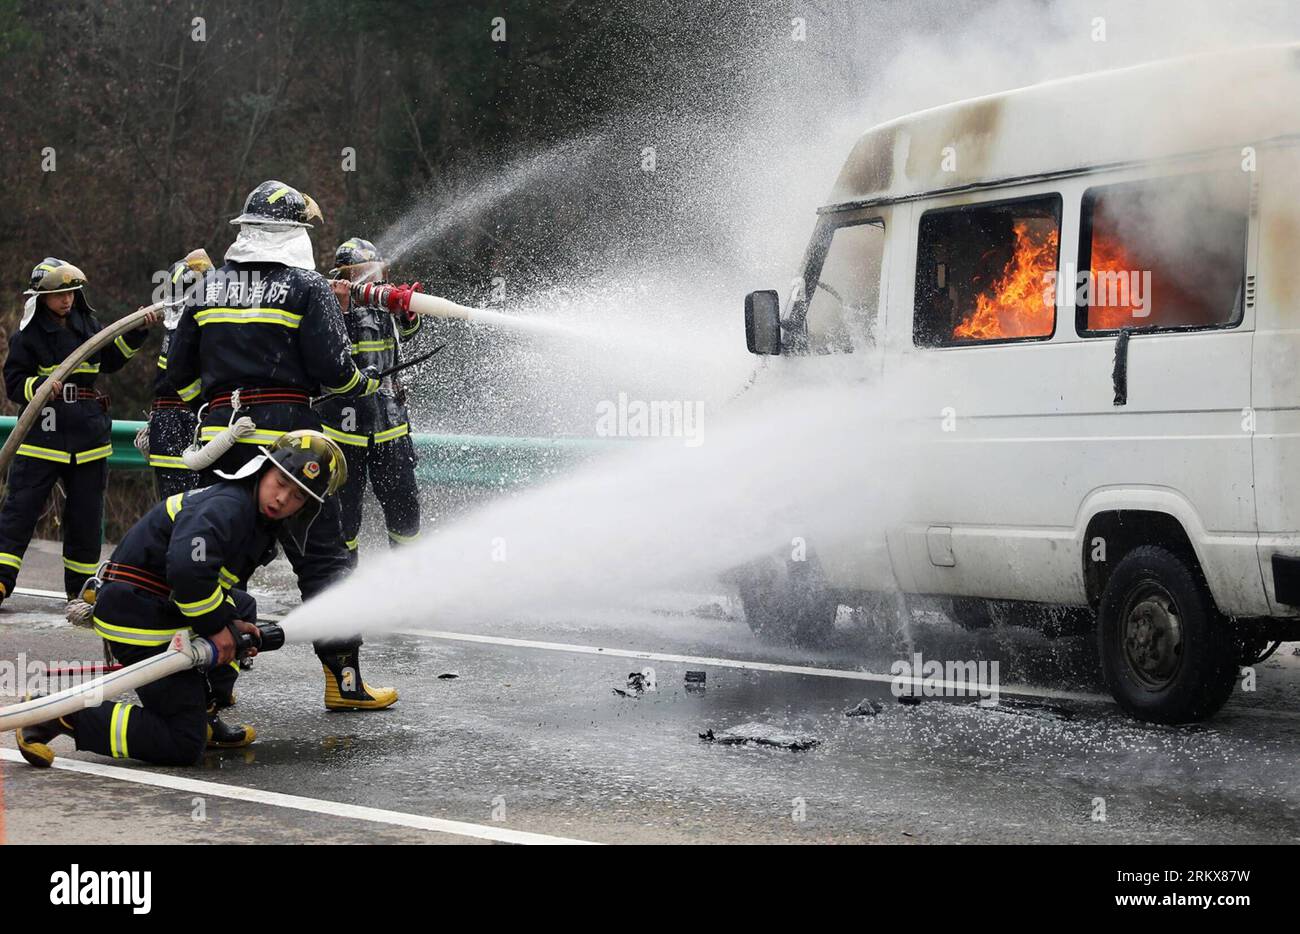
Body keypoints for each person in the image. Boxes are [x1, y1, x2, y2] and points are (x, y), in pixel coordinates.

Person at [165, 180, 398, 710]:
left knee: (220, 565)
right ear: (294, 234)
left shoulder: (207, 288)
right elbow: (335, 371)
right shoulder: (308, 287)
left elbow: (178, 381)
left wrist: (224, 398)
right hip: (291, 451)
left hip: (220, 445)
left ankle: (208, 696)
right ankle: (345, 683)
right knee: (324, 562)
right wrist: (362, 384)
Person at [15, 431, 347, 767]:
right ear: (263, 470)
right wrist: (218, 628)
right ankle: (57, 715)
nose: (282, 499)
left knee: (242, 608)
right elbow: (189, 573)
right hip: (138, 615)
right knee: (183, 742)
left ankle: (205, 713)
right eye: (280, 482)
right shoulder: (229, 507)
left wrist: (229, 621)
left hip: (156, 605)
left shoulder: (255, 518)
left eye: (297, 497)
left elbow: (211, 584)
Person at [0, 258, 158, 608]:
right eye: (60, 295)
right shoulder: (28, 336)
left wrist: (137, 331)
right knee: (19, 512)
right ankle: (1, 580)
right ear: (41, 298)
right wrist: (40, 387)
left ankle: (82, 590)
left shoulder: (88, 324)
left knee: (86, 519)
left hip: (88, 437)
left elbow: (111, 360)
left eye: (72, 293)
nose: (67, 301)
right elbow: (14, 384)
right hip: (43, 436)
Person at [318, 238, 423, 564]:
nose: (371, 281)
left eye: (374, 272)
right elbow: (334, 357)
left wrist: (407, 313)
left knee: (404, 508)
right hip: (343, 433)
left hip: (391, 428)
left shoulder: (382, 303)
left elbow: (407, 335)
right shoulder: (326, 306)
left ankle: (407, 577)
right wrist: (344, 309)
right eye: (361, 273)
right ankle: (341, 582)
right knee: (343, 518)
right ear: (342, 275)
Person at [145, 250, 213, 498]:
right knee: (180, 508)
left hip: (183, 422)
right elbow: (179, 375)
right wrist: (204, 405)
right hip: (178, 423)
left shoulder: (185, 325)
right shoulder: (182, 329)